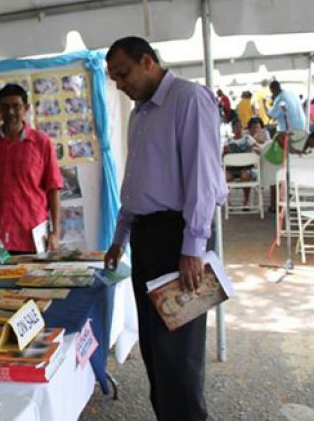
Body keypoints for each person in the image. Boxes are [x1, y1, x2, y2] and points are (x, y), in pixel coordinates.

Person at [103, 36, 227, 421]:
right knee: (156, 351)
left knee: (178, 356)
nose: (120, 85)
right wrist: (120, 235)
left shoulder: (189, 100)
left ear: (148, 62)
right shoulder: (139, 112)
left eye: (124, 74)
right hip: (146, 236)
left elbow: (203, 179)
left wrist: (193, 247)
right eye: (115, 79)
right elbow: (135, 180)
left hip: (179, 238)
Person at [0, 83, 64, 254]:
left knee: (33, 280)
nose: (10, 112)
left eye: (16, 106)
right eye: (5, 107)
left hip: (34, 236)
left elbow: (53, 190)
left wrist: (56, 232)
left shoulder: (42, 143)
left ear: (25, 108)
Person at [223, 119, 258, 206]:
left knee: (245, 176)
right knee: (225, 177)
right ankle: (228, 201)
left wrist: (251, 150)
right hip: (232, 168)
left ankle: (246, 200)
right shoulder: (228, 142)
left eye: (240, 126)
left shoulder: (248, 139)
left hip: (246, 167)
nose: (239, 129)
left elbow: (255, 147)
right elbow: (224, 156)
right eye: (236, 127)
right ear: (232, 129)